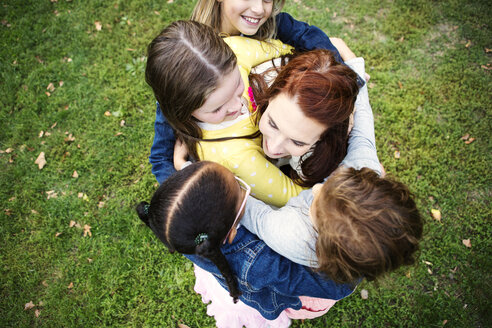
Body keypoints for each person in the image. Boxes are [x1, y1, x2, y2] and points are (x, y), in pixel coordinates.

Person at [136, 161, 423, 325]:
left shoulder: (185, 232)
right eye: (241, 187)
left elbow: (164, 169)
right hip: (268, 294)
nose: (319, 186)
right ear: (235, 225)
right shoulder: (270, 264)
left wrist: (168, 106)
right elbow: (337, 286)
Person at [149, 1, 366, 187]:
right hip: (249, 169)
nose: (258, 9)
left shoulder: (273, 26)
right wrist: (185, 179)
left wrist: (348, 86)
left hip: (287, 139)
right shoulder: (181, 73)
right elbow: (161, 158)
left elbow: (308, 37)